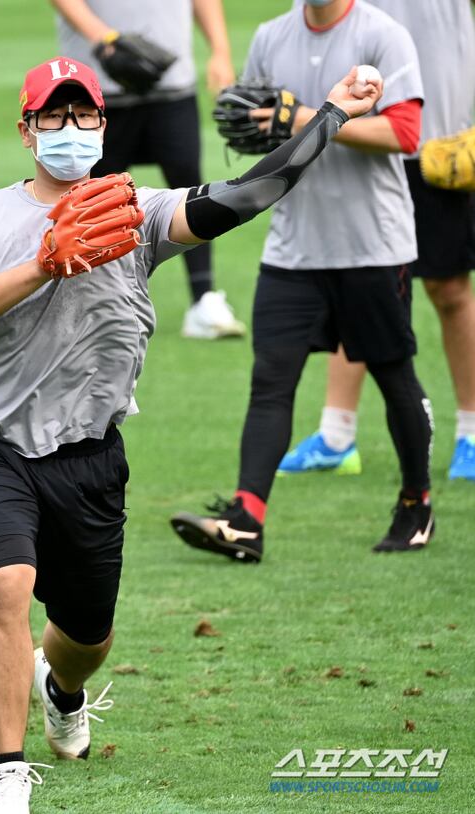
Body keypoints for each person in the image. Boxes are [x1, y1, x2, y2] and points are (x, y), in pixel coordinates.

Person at [0, 54, 376, 812]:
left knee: (87, 636)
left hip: (89, 457)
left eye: (82, 114)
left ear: (103, 126)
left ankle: (61, 687)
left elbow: (247, 194)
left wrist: (329, 115)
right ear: (27, 131)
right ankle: (8, 773)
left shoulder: (137, 213)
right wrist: (43, 264)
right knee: (7, 585)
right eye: (52, 115)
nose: (68, 127)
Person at [170, 0, 436, 562]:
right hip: (293, 249)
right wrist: (256, 126)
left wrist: (301, 118)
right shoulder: (271, 36)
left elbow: (405, 132)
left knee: (394, 377)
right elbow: (260, 130)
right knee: (270, 381)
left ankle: (417, 504)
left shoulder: (382, 34)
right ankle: (246, 520)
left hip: (372, 248)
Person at [279, 0, 475, 482]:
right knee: (353, 282)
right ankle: (336, 435)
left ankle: (471, 433)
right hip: (352, 133)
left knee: (449, 289)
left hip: (439, 138)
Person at [49, 0, 246, 339]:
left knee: (191, 191)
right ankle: (90, 304)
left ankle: (204, 300)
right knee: (93, 201)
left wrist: (220, 50)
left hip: (173, 84)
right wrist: (105, 40)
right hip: (98, 89)